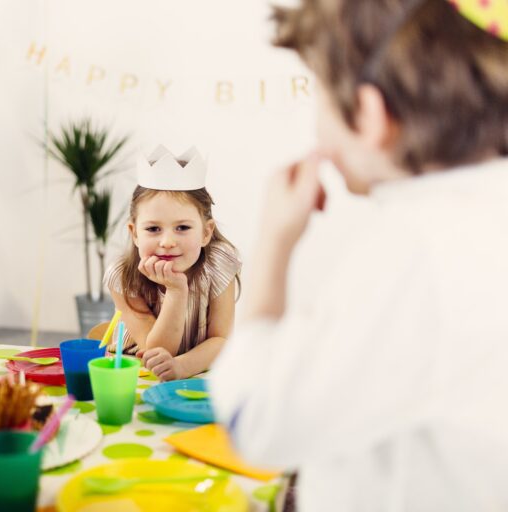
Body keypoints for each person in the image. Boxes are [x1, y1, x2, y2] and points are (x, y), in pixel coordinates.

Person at [209, 0, 508, 510]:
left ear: (370, 116)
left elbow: (254, 419)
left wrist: (274, 243)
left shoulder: (415, 252)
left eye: (318, 97)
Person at [104, 146, 241, 381]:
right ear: (135, 233)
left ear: (206, 232)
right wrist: (177, 291)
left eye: (183, 228)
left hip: (194, 371)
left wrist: (182, 367)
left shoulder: (219, 264)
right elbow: (159, 351)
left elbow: (220, 340)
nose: (167, 242)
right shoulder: (122, 277)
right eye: (153, 229)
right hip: (137, 372)